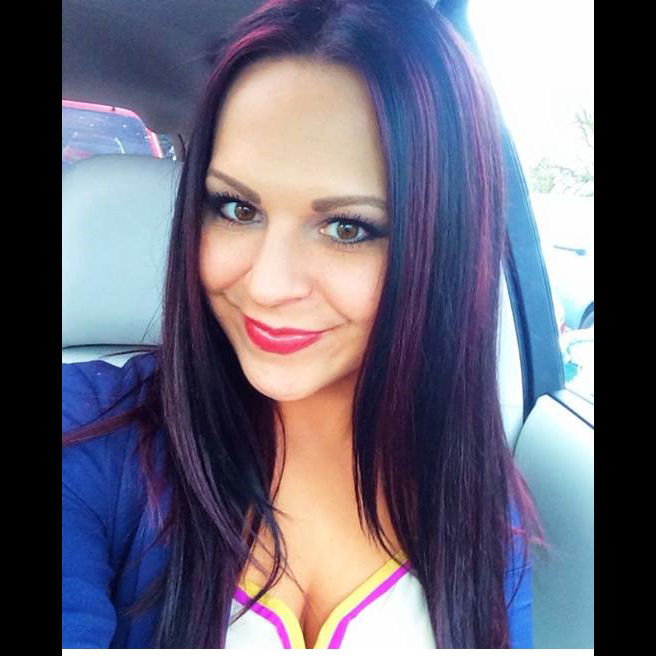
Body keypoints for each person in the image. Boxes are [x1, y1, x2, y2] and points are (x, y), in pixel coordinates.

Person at [62, 0, 542, 648]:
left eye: (347, 228)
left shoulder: (480, 501)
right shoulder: (85, 434)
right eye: (236, 208)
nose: (267, 284)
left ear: (443, 250)